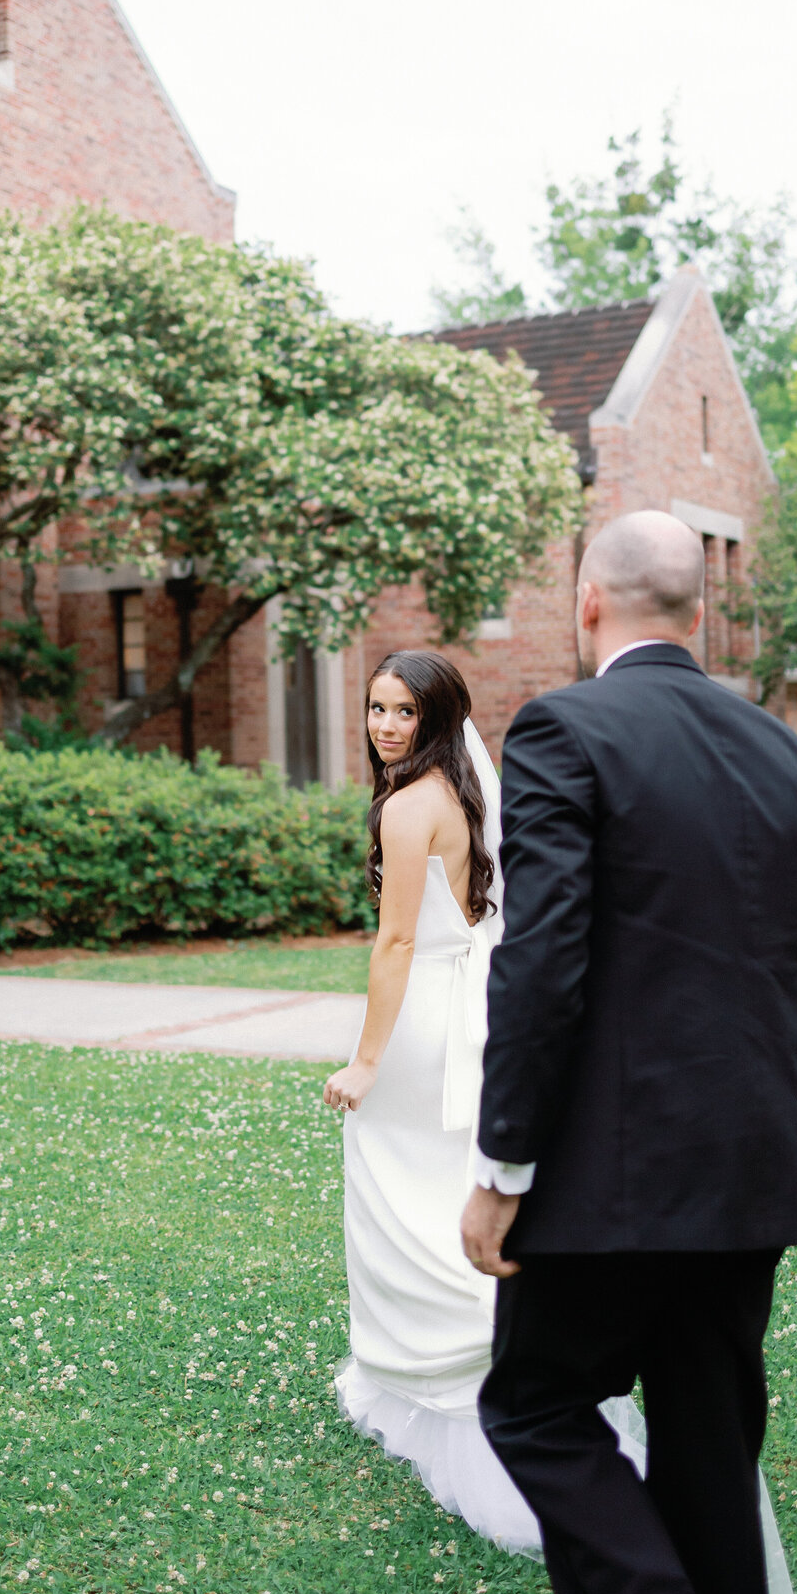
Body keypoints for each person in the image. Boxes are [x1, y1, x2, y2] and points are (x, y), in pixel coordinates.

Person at [461, 510, 797, 1594]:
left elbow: (542, 963)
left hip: (610, 1175)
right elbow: (786, 958)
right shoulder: (784, 746)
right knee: (708, 1438)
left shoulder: (563, 730)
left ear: (587, 603)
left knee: (535, 1406)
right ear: (699, 607)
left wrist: (502, 1165)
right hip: (752, 1161)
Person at [321, 649, 539, 1547]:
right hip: (473, 1015)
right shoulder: (464, 794)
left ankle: (450, 1369)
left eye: (405, 712)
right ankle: (464, 1360)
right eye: (376, 708)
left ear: (440, 718)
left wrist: (367, 1062)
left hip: (421, 1027)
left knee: (399, 1193)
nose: (385, 726)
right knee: (445, 1187)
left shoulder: (412, 806)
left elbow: (398, 944)